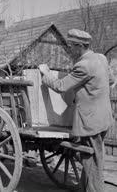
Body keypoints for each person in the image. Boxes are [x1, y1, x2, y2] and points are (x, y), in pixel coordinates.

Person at [38, 29, 115, 192]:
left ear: (80, 46)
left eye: (71, 46)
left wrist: (45, 73)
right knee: (96, 158)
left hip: (90, 122)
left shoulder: (83, 65)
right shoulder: (100, 58)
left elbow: (60, 86)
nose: (69, 50)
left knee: (91, 162)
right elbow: (111, 80)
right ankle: (85, 188)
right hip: (104, 118)